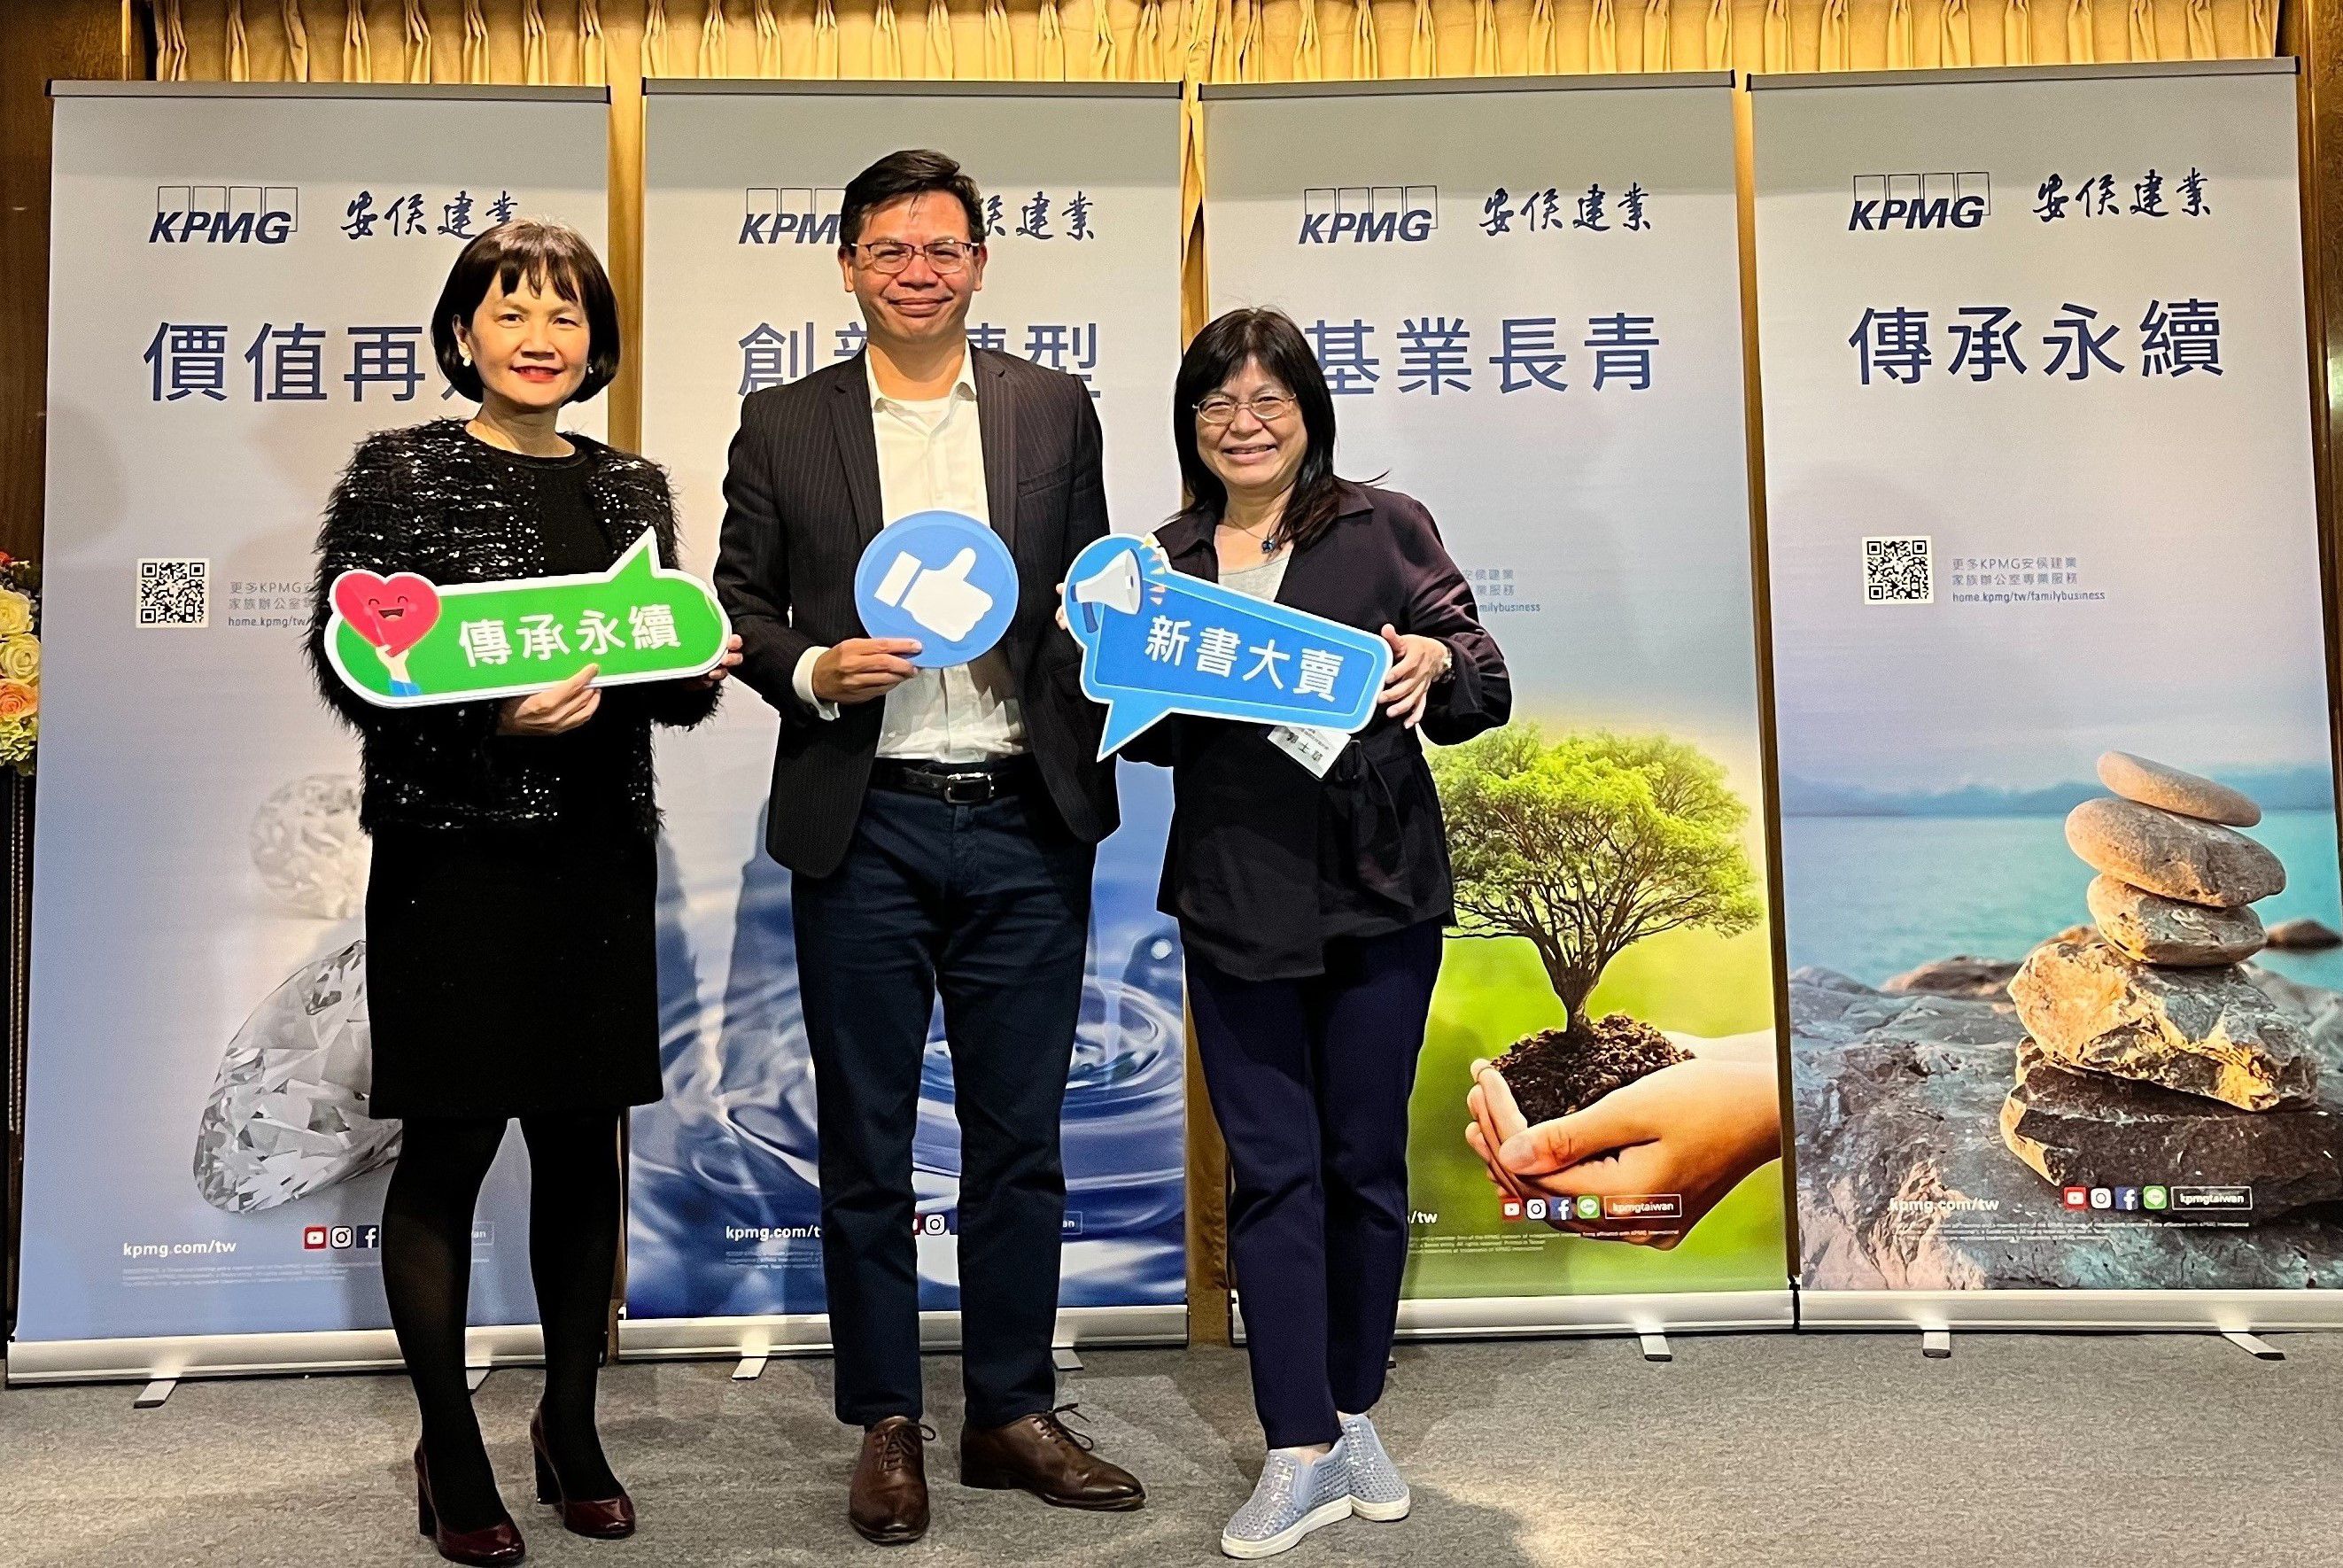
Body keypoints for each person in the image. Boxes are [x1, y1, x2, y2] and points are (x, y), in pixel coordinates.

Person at [713, 149, 1144, 1547]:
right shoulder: (784, 422)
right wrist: (810, 667)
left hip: (1025, 811)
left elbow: (1087, 595)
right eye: (889, 248)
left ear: (978, 263)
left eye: (942, 247)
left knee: (1021, 1135)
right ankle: (886, 1418)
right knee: (867, 1140)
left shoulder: (1049, 407)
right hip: (867, 817)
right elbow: (737, 603)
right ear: (847, 264)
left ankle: (1010, 1408)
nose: (917, 271)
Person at [306, 220, 741, 1567]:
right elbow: (352, 665)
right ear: (463, 334)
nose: (538, 336)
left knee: (578, 1147)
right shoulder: (400, 471)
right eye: (510, 310)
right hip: (453, 860)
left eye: (565, 314)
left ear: (596, 344)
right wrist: (493, 716)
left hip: (594, 863)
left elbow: (665, 686)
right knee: (446, 1151)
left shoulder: (631, 487)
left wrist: (694, 663)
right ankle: (449, 1444)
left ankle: (570, 1423)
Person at [1120, 308, 1509, 1559]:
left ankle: (1351, 1413)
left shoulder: (1381, 528)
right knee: (1272, 1170)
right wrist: (1122, 675)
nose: (1243, 424)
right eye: (1216, 403)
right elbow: (1147, 731)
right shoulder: (1162, 561)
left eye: (1267, 401)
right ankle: (1295, 1441)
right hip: (1236, 893)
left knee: (1362, 1162)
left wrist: (1431, 659)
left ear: (1308, 414)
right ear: (1190, 424)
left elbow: (1484, 674)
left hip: (1377, 888)